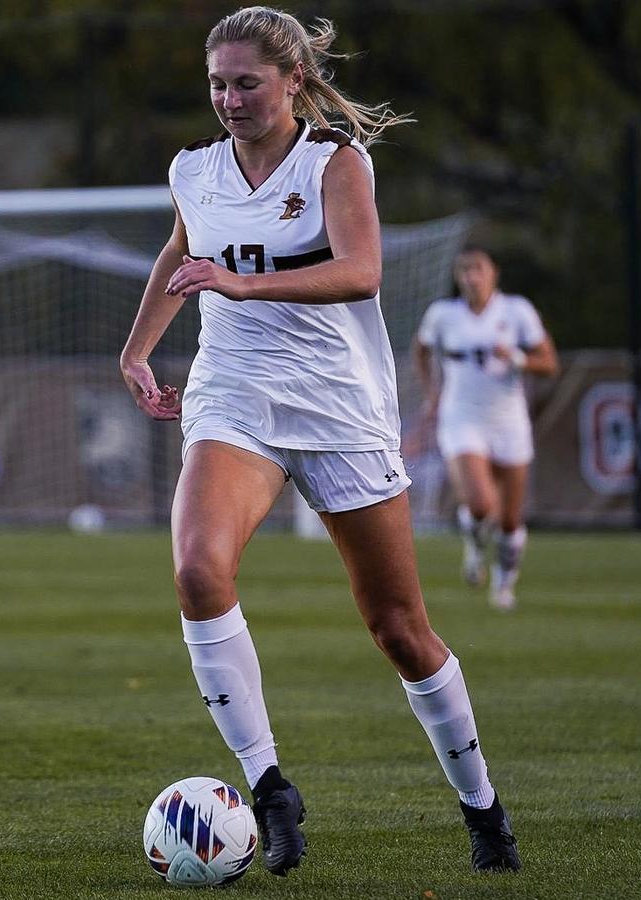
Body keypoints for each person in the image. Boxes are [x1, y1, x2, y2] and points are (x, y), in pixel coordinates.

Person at [119, 6, 522, 876]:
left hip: (340, 407)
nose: (229, 99)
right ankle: (269, 791)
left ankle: (483, 808)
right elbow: (180, 252)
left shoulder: (335, 161)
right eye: (218, 83)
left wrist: (236, 281)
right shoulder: (194, 169)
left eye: (247, 83)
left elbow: (361, 270)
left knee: (400, 629)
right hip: (236, 395)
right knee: (197, 568)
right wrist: (139, 346)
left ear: (294, 80)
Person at [412, 247, 558, 610]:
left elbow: (549, 362)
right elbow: (421, 350)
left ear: (494, 274)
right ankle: (475, 544)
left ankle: (504, 583)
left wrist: (519, 358)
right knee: (480, 503)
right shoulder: (444, 315)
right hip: (461, 416)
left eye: (477, 269)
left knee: (510, 519)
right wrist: (432, 394)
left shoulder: (516, 312)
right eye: (463, 270)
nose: (470, 277)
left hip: (508, 419)